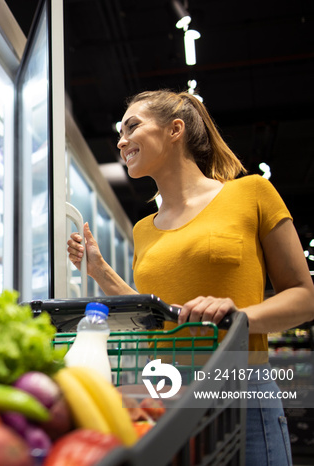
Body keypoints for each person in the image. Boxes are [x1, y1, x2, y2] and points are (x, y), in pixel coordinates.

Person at [67, 89, 314, 466]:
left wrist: (239, 317)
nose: (121, 140)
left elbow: (303, 295)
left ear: (174, 130)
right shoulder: (143, 229)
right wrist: (99, 271)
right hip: (166, 396)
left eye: (133, 126)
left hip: (241, 389)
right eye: (120, 131)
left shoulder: (251, 193)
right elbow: (157, 317)